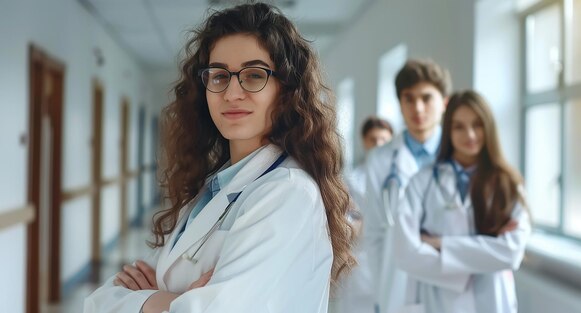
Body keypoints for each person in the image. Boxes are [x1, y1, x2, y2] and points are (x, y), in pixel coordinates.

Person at [84, 3, 355, 313]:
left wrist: (151, 301)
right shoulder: (212, 189)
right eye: (219, 76)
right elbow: (99, 301)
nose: (232, 92)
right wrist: (175, 301)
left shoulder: (288, 193)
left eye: (254, 75)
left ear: (286, 90)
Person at [393, 90, 531, 313]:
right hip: (439, 303)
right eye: (458, 126)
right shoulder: (423, 181)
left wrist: (440, 244)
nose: (470, 134)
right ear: (448, 131)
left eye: (477, 124)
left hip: (493, 301)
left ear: (488, 127)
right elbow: (405, 253)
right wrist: (485, 255)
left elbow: (511, 252)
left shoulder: (507, 184)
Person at [361, 59, 452, 313]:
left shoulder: (458, 158)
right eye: (409, 98)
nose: (418, 108)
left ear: (444, 102)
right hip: (398, 288)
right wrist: (383, 293)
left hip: (451, 286)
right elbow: (376, 235)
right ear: (400, 103)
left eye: (426, 98)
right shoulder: (381, 159)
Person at [333, 116, 393, 313]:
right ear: (364, 141)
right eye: (373, 140)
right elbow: (347, 221)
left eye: (383, 140)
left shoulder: (402, 177)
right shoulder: (352, 180)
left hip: (393, 258)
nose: (378, 145)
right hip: (361, 260)